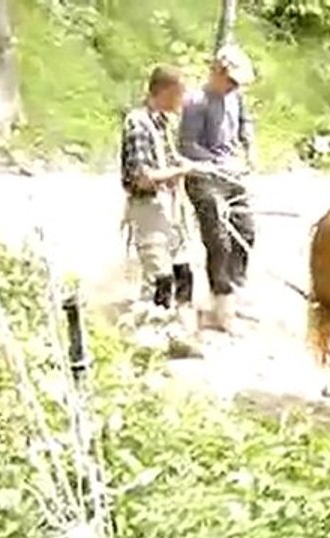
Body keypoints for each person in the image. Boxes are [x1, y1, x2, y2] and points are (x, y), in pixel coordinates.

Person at [120, 64, 203, 354]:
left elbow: (168, 159)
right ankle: (148, 342)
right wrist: (178, 172)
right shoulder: (138, 123)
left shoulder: (161, 124)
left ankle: (180, 335)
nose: (182, 102)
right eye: (179, 94)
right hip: (149, 209)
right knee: (159, 279)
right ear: (166, 91)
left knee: (183, 273)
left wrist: (188, 166)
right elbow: (141, 176)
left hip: (170, 211)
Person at [178, 44, 257, 333]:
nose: (235, 87)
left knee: (246, 231)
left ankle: (234, 291)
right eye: (232, 80)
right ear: (218, 73)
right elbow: (187, 145)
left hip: (232, 175)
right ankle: (222, 304)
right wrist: (215, 163)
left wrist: (249, 149)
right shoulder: (196, 102)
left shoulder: (236, 97)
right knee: (219, 240)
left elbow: (245, 124)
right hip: (204, 176)